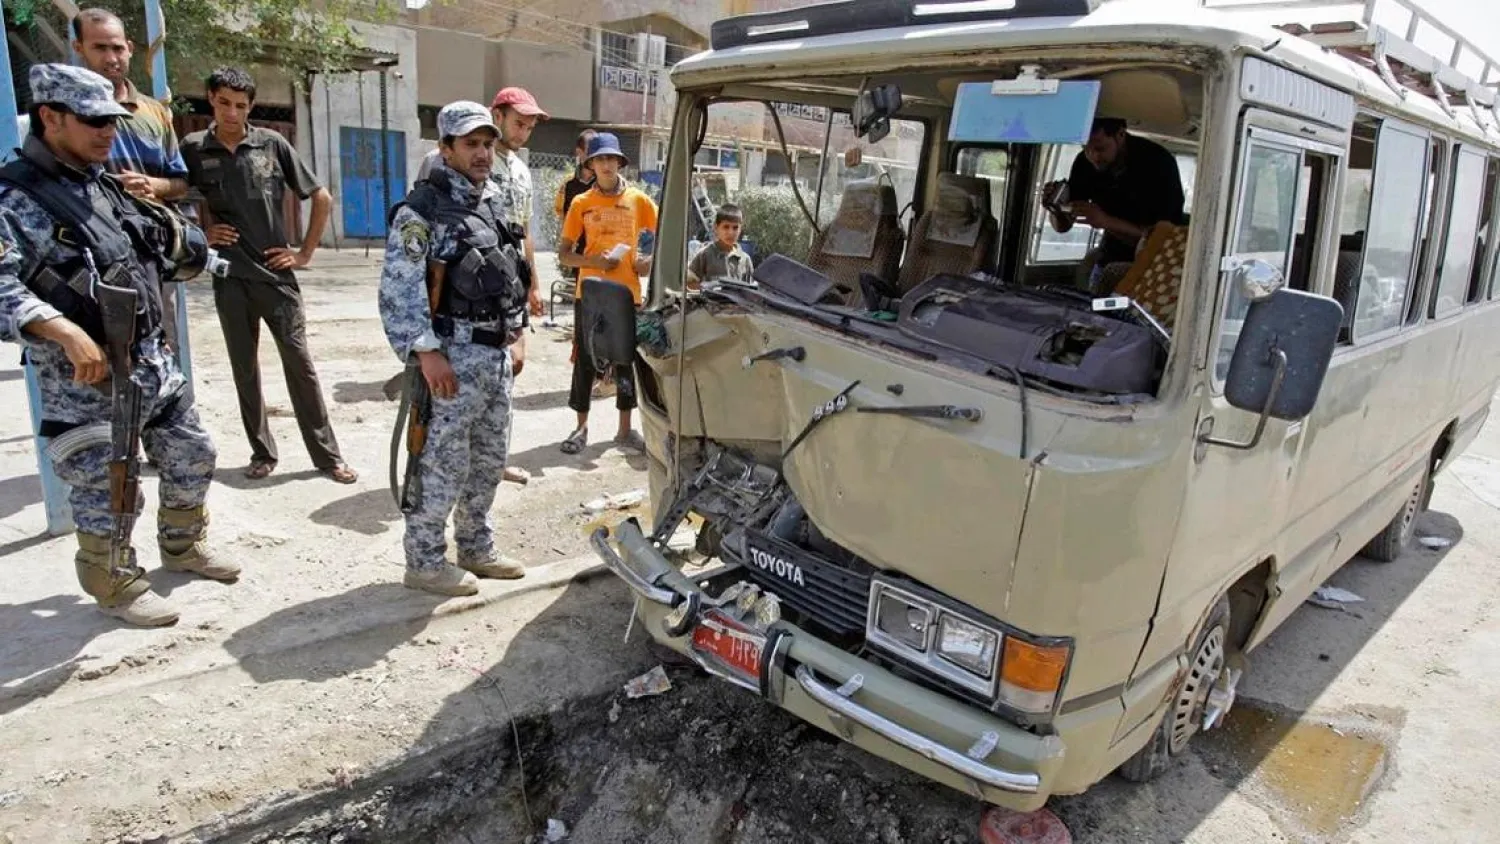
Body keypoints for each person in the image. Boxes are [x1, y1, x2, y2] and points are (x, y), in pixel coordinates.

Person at [0, 64, 237, 627]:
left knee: (192, 452)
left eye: (111, 120)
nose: (108, 132)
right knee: (108, 484)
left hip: (150, 360)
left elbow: (157, 249)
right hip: (86, 377)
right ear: (51, 117)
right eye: (94, 122)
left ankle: (182, 545)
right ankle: (114, 583)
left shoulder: (103, 184)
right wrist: (62, 330)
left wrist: (182, 243)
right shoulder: (15, 198)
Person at [379, 101, 531, 596]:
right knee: (440, 464)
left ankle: (475, 547)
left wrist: (516, 332)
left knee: (487, 460)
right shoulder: (421, 210)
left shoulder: (492, 200)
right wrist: (426, 352)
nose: (482, 153)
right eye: (471, 144)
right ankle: (424, 563)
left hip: (494, 354)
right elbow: (399, 289)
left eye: (487, 143)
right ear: (445, 148)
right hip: (451, 356)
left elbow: (510, 269)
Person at [180, 67, 356, 484]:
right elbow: (175, 197)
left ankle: (328, 457)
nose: (232, 113)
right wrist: (200, 234)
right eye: (224, 103)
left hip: (276, 278)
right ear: (211, 99)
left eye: (241, 105)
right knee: (244, 368)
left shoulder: (272, 144)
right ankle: (262, 452)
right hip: (229, 277)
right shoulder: (193, 148)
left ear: (251, 106)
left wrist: (304, 253)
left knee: (300, 364)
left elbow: (321, 197)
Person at [70, 7, 192, 351]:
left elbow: (181, 183)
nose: (111, 58)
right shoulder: (65, 113)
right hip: (90, 257)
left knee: (162, 348)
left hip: (152, 254)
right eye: (100, 48)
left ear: (130, 49)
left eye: (117, 48)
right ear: (79, 48)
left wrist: (154, 186)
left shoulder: (154, 113)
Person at [557, 131, 657, 455]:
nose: (606, 164)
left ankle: (625, 430)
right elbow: (564, 254)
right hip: (590, 294)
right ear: (591, 164)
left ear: (620, 163)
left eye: (611, 158)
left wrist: (648, 261)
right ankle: (580, 427)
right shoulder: (581, 203)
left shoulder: (638, 200)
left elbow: (667, 231)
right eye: (600, 159)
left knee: (626, 361)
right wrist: (594, 262)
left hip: (627, 293)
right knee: (585, 359)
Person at [1043, 117, 1186, 282]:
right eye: (1086, 148)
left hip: (1154, 267)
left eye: (1100, 148)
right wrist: (1055, 209)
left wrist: (1105, 221)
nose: (1093, 157)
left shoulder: (1159, 163)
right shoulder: (1084, 162)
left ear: (1120, 134)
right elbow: (1062, 227)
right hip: (1109, 259)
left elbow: (1165, 237)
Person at [554, 128, 597, 281]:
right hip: (580, 257)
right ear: (579, 152)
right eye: (590, 152)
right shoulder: (568, 185)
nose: (595, 157)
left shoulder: (605, 183)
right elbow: (563, 217)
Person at [685, 203, 754, 289]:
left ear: (740, 229)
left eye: (735, 228)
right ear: (716, 227)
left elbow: (750, 290)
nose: (730, 232)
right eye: (726, 227)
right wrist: (707, 287)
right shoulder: (705, 254)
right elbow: (689, 283)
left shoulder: (745, 260)